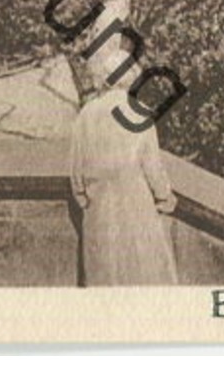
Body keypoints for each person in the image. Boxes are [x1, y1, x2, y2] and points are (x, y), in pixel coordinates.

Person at [68, 62, 180, 286]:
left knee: (104, 279)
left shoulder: (87, 115)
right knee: (141, 277)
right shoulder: (139, 113)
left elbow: (76, 170)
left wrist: (85, 198)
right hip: (136, 207)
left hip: (99, 209)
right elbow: (153, 168)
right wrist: (165, 197)